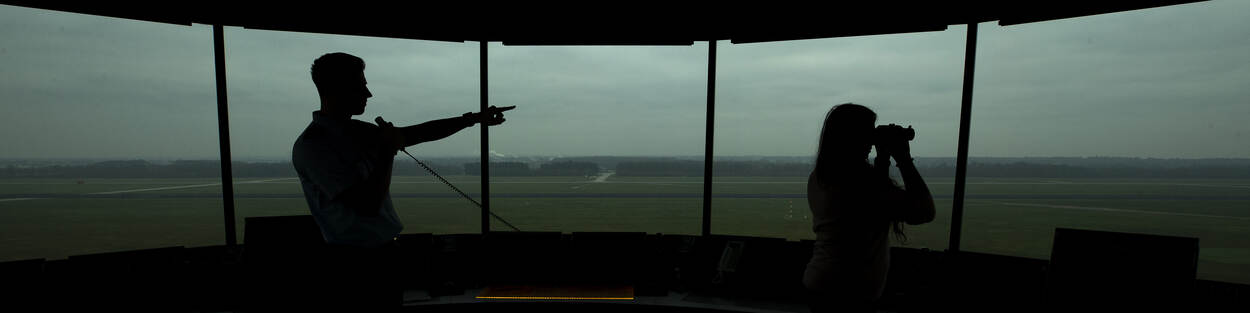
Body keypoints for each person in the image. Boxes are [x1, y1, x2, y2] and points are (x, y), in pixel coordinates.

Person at [291, 52, 511, 311]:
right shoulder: (315, 146)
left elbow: (419, 133)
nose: (368, 93)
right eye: (361, 85)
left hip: (378, 257)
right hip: (353, 265)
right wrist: (387, 151)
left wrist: (472, 119)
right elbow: (366, 204)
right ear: (337, 89)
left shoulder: (355, 132)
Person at [803, 103, 935, 313]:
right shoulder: (861, 182)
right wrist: (903, 158)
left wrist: (882, 158)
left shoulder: (820, 177)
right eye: (868, 131)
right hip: (849, 295)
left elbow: (869, 209)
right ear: (852, 136)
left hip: (822, 283)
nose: (872, 141)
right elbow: (924, 211)